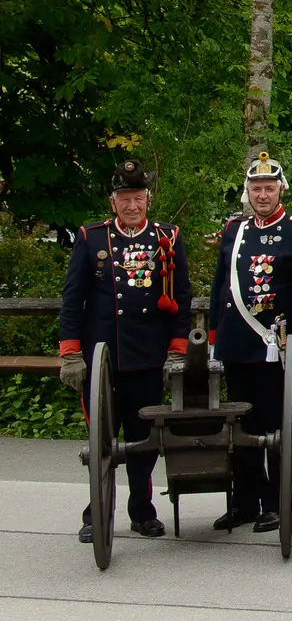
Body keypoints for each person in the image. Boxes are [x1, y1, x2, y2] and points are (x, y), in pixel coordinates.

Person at [59, 157, 191, 541]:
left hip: (147, 359)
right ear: (113, 202)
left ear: (148, 200)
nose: (132, 206)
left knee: (142, 441)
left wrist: (177, 350)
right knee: (100, 440)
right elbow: (73, 300)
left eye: (138, 198)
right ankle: (95, 512)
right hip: (101, 358)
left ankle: (141, 510)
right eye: (124, 199)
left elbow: (180, 299)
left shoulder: (168, 238)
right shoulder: (91, 238)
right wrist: (70, 353)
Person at [208, 152, 292, 532]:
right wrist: (216, 339)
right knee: (239, 427)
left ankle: (274, 502)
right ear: (247, 192)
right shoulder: (235, 229)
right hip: (237, 342)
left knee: (273, 427)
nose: (262, 195)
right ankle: (244, 501)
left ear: (281, 189)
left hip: (273, 345)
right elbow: (221, 285)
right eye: (255, 189)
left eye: (268, 188)